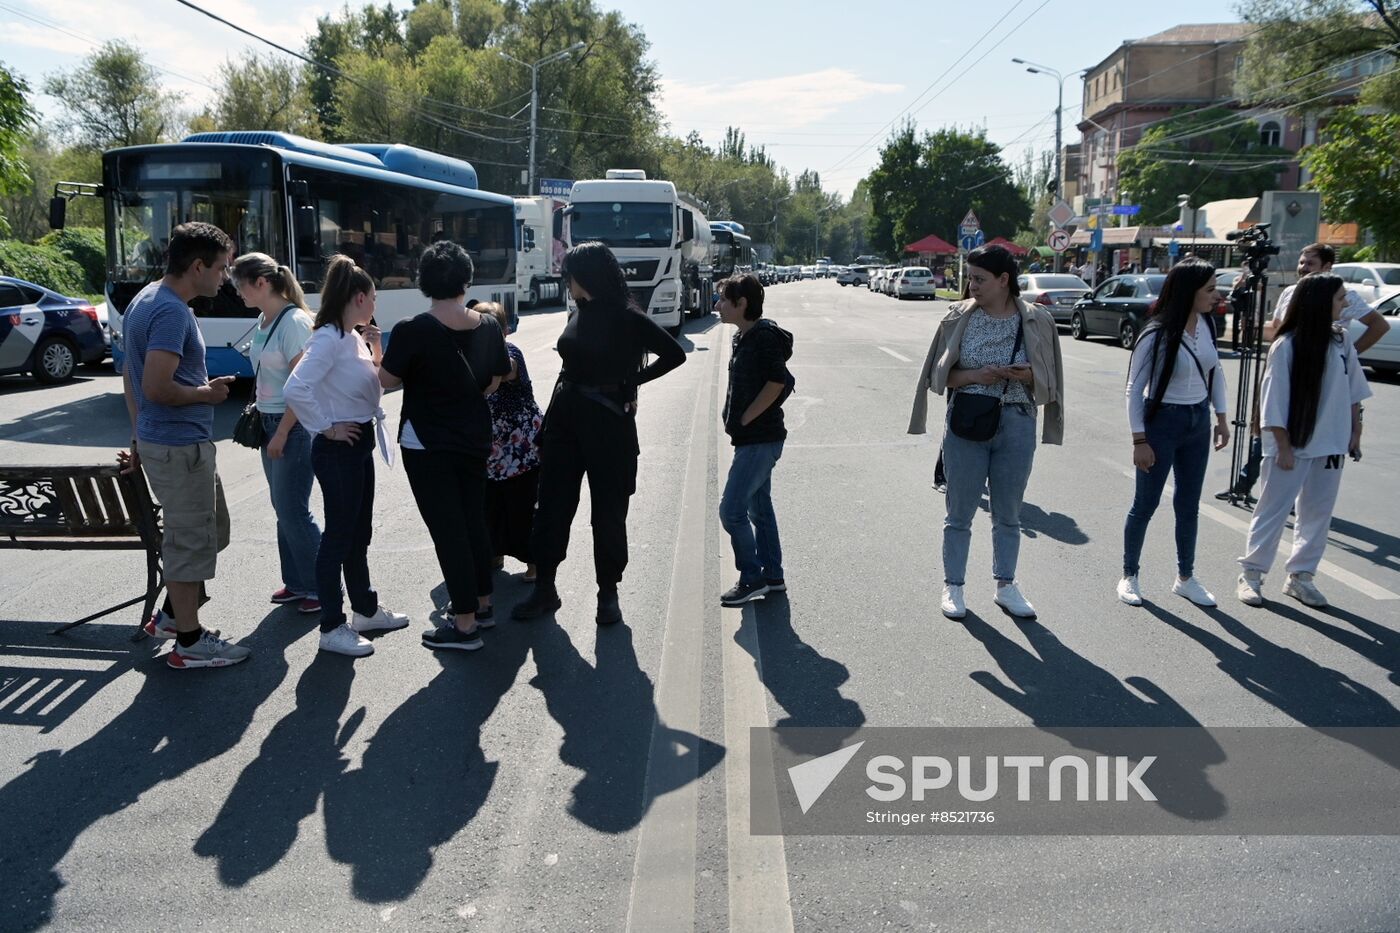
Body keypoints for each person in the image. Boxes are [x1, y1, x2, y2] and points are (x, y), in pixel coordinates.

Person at [511, 241, 686, 627]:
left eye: (569, 275)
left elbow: (674, 354)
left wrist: (631, 382)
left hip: (608, 424)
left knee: (608, 513)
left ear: (583, 276)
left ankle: (608, 593)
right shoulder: (580, 311)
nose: (566, 281)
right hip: (566, 420)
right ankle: (545, 588)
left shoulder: (627, 314)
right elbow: (571, 366)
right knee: (551, 507)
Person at [908, 244, 1066, 621]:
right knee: (959, 512)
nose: (971, 285)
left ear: (1003, 280)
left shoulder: (1037, 320)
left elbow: (1052, 380)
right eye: (970, 277)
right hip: (968, 422)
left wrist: (1028, 375)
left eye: (979, 279)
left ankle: (1006, 586)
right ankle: (954, 586)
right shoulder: (958, 317)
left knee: (1008, 513)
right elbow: (939, 376)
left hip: (1017, 422)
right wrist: (978, 375)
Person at [119, 222, 248, 668]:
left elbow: (130, 380)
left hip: (170, 444)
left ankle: (174, 617)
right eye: (221, 268)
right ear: (197, 267)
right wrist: (206, 394)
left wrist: (138, 435)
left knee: (212, 532)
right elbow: (156, 386)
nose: (225, 278)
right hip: (179, 449)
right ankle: (190, 644)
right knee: (189, 542)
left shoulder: (146, 299)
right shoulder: (172, 311)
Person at [379, 241, 511, 652]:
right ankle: (484, 605)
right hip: (474, 436)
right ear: (465, 279)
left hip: (427, 442)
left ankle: (465, 623)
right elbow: (498, 376)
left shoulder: (411, 329)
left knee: (447, 530)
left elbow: (386, 380)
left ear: (424, 281)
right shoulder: (488, 325)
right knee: (473, 519)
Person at [284, 256, 409, 657]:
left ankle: (365, 610)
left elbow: (374, 381)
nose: (376, 305)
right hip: (339, 446)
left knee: (358, 534)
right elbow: (295, 388)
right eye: (373, 298)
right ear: (358, 297)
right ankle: (332, 626)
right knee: (339, 537)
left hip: (358, 442)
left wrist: (375, 346)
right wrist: (327, 427)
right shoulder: (327, 339)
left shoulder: (350, 336)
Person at [1237, 273, 1370, 608]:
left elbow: (1353, 392)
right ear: (1319, 302)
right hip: (1292, 443)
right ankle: (1251, 574)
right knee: (1273, 510)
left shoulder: (1341, 341)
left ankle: (1301, 576)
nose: (1346, 304)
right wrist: (1282, 447)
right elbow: (1273, 400)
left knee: (1317, 513)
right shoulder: (1287, 344)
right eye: (1340, 298)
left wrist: (1354, 432)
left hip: (1332, 444)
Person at [1218, 243, 1389, 500]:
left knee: (1304, 438)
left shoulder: (1343, 295)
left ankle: (1293, 492)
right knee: (1269, 425)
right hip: (1287, 369)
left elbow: (1379, 325)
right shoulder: (1291, 293)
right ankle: (1247, 484)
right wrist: (1250, 325)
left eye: (1310, 264)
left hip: (1318, 381)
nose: (1302, 268)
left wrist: (1345, 356)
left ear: (1327, 267)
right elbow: (1276, 328)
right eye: (1301, 262)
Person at [1117, 258, 1231, 608]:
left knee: (1188, 504)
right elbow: (1134, 388)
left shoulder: (1208, 325)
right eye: (1210, 289)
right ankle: (1129, 575)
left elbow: (1214, 373)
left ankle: (1186, 577)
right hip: (1161, 423)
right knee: (1145, 504)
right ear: (1188, 292)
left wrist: (1222, 418)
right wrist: (1140, 440)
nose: (1217, 295)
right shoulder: (1157, 333)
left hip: (1197, 423)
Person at [232, 252, 322, 615]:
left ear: (262, 283)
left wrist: (283, 432)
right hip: (270, 423)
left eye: (240, 286)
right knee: (282, 507)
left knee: (292, 509)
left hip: (292, 426)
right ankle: (299, 581)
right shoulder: (263, 319)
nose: (237, 293)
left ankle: (322, 586)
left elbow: (305, 386)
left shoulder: (294, 322)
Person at [716, 273, 795, 606]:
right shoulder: (743, 336)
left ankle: (752, 577)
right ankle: (773, 575)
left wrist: (748, 417)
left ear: (741, 304)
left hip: (759, 440)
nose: (717, 305)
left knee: (731, 511)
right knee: (759, 510)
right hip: (752, 439)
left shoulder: (762, 337)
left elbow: (780, 380)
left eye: (723, 299)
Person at [481, 301, 544, 583]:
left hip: (521, 448)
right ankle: (495, 552)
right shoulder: (478, 355)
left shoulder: (510, 352)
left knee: (522, 506)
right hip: (494, 448)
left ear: (503, 330)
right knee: (492, 504)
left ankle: (535, 563)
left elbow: (503, 372)